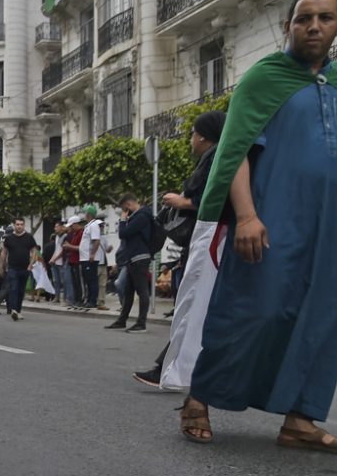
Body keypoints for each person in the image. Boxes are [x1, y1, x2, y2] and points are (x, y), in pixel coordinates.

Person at [170, 0, 337, 450]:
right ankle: (199, 399)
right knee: (254, 310)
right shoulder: (265, 78)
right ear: (288, 26)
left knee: (323, 318)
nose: (314, 26)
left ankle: (300, 418)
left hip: (330, 229)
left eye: (325, 18)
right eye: (305, 18)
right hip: (272, 217)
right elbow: (237, 149)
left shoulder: (336, 82)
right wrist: (246, 215)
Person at [133, 110, 226, 386]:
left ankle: (175, 369)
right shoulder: (211, 159)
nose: (190, 139)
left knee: (193, 306)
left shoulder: (217, 161)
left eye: (193, 134)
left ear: (203, 136)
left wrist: (182, 202)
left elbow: (213, 196)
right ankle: (169, 366)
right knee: (192, 308)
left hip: (209, 242)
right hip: (202, 242)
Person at [105, 194, 151, 333]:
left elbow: (123, 233)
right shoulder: (137, 216)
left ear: (129, 204)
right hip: (132, 258)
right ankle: (122, 320)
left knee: (142, 290)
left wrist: (123, 220)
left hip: (140, 257)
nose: (125, 211)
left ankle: (141, 323)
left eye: (124, 208)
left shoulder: (142, 216)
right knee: (128, 291)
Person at [0, 218, 37, 320]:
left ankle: (18, 310)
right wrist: (1, 266)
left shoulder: (29, 237)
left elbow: (34, 251)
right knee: (13, 288)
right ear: (14, 225)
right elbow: (4, 253)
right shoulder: (9, 238)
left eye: (21, 224)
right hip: (12, 268)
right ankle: (13, 310)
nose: (19, 226)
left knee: (21, 290)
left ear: (24, 225)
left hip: (25, 268)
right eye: (17, 224)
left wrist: (31, 264)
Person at [79, 206, 104, 309]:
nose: (84, 215)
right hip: (84, 258)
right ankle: (89, 300)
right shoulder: (88, 226)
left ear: (88, 214)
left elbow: (96, 241)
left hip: (90, 258)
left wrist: (92, 254)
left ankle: (92, 301)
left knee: (92, 280)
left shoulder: (93, 225)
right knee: (88, 280)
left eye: (85, 213)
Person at [62, 215, 83, 308]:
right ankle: (76, 299)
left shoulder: (81, 233)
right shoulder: (74, 234)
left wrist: (69, 246)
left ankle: (80, 299)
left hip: (78, 261)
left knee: (79, 282)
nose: (70, 228)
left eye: (71, 226)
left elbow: (82, 248)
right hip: (72, 261)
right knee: (74, 282)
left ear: (75, 224)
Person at [48, 221, 68, 305]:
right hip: (55, 262)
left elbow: (63, 251)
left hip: (62, 262)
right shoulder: (56, 237)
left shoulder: (65, 236)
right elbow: (56, 250)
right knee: (56, 281)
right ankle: (57, 297)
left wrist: (55, 258)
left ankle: (65, 298)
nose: (55, 228)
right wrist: (52, 259)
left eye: (56, 227)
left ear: (61, 227)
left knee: (64, 281)